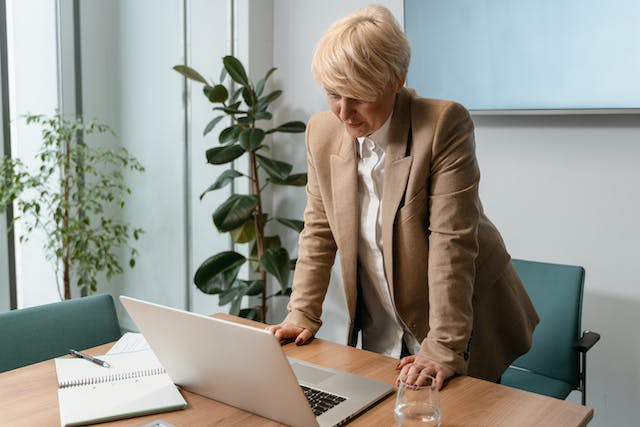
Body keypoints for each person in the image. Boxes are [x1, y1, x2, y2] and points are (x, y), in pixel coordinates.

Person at [266, 5, 538, 390]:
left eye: (358, 95)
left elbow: (452, 244)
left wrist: (442, 347)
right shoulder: (321, 131)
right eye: (332, 94)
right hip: (386, 322)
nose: (344, 112)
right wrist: (301, 314)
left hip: (463, 325)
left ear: (396, 79)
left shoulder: (443, 125)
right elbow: (318, 229)